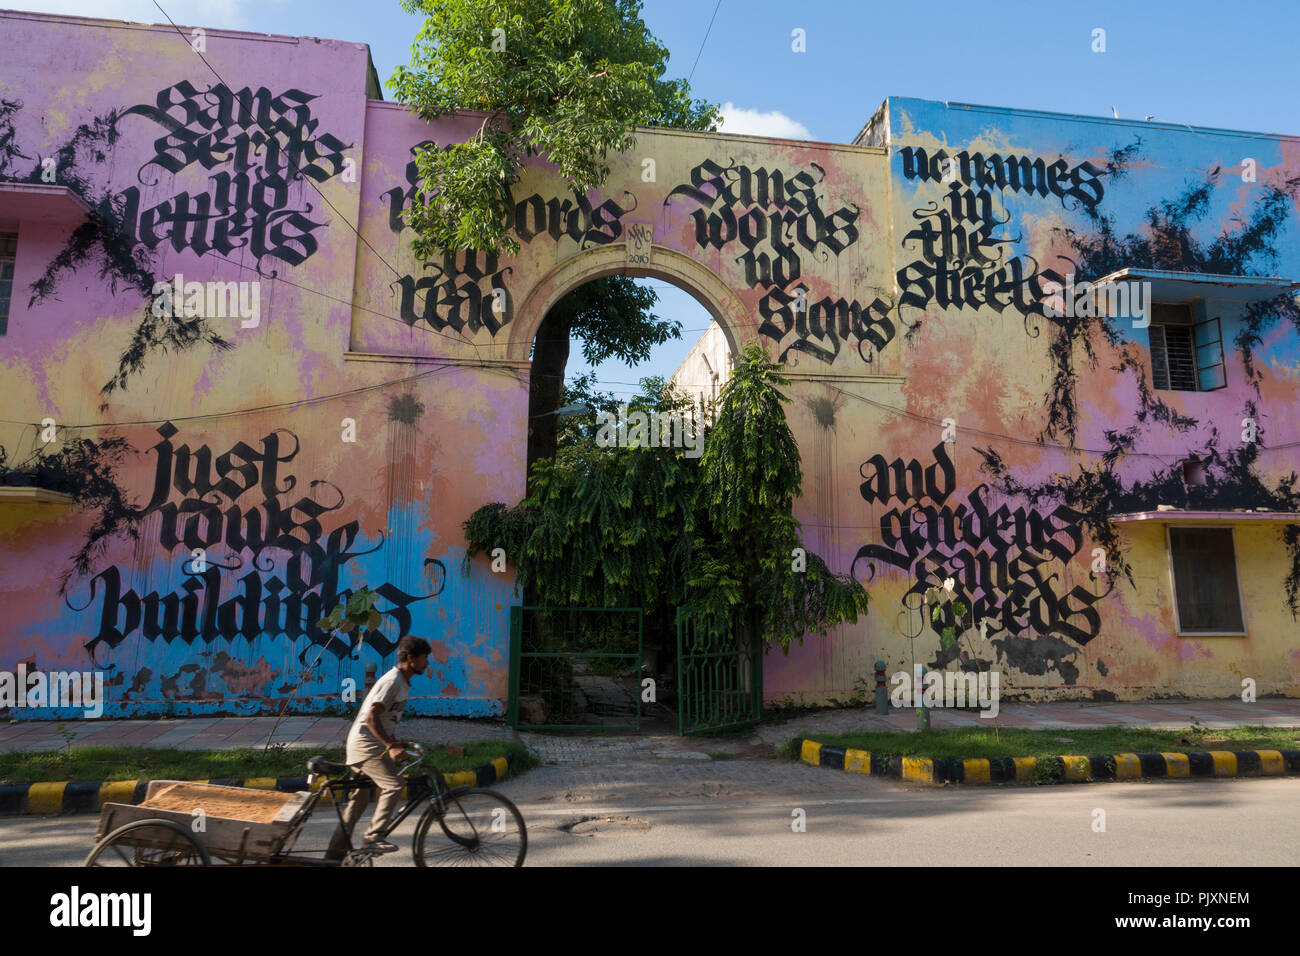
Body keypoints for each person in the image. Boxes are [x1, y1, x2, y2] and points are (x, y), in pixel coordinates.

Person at [339, 635, 431, 853]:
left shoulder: (401, 682)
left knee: (358, 804)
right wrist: (391, 745)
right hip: (366, 746)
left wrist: (397, 742)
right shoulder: (393, 681)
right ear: (411, 658)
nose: (427, 663)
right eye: (425, 658)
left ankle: (334, 855)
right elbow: (371, 717)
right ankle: (373, 837)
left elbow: (384, 719)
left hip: (370, 745)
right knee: (394, 785)